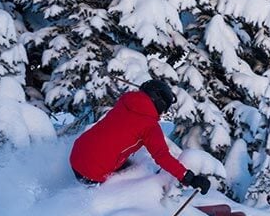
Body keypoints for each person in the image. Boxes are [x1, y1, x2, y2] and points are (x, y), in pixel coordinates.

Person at [69, 79, 211, 194]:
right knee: (139, 170)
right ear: (159, 103)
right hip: (93, 172)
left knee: (128, 161)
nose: (162, 114)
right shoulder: (149, 126)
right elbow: (162, 156)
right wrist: (189, 178)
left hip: (76, 153)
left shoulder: (124, 102)